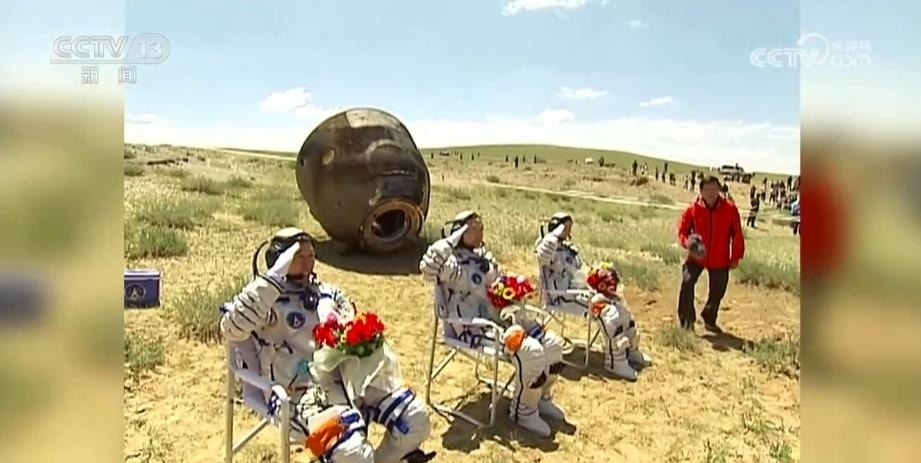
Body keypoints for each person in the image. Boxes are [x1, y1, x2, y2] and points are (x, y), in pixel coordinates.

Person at [219, 228, 435, 463]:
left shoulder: (328, 294)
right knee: (353, 453)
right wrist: (273, 278)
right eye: (298, 257)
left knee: (415, 418)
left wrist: (355, 334)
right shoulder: (267, 305)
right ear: (279, 260)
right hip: (299, 396)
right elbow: (232, 328)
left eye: (311, 256)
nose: (307, 262)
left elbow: (349, 318)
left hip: (350, 381)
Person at [419, 211, 567, 437]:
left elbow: (498, 285)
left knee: (554, 345)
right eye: (472, 227)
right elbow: (428, 268)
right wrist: (450, 242)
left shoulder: (485, 258)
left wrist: (513, 291)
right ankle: (524, 412)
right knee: (531, 351)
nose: (479, 231)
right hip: (473, 328)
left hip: (501, 319)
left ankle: (540, 397)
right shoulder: (451, 264)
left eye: (480, 227)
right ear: (459, 231)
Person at [676, 176, 746, 332]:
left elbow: (737, 234)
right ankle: (686, 322)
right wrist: (688, 243)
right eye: (707, 189)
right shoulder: (692, 210)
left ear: (719, 190)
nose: (711, 193)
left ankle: (709, 317)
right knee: (687, 283)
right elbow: (682, 231)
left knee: (718, 290)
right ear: (701, 191)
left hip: (719, 257)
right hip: (696, 257)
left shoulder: (730, 209)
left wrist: (736, 256)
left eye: (714, 189)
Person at [584, 263, 651, 380]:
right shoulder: (552, 254)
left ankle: (631, 351)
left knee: (624, 313)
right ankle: (615, 362)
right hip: (572, 295)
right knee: (611, 317)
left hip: (587, 288)